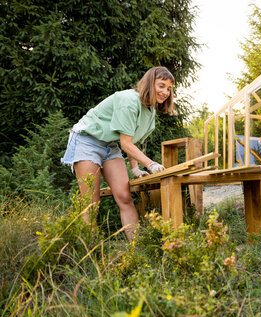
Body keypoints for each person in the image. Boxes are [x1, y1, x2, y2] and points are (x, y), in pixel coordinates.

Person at [61, 66, 175, 239]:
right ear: (149, 83)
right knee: (91, 203)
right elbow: (126, 144)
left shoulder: (150, 110)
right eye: (161, 86)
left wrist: (135, 168)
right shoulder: (129, 100)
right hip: (87, 140)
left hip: (109, 145)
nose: (165, 92)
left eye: (169, 88)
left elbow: (131, 140)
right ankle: (88, 253)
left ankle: (136, 251)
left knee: (124, 197)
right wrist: (151, 164)